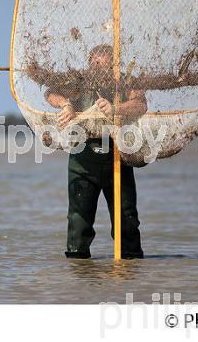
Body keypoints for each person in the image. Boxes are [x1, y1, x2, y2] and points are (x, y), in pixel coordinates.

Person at [44, 44, 148, 259]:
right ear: (89, 63)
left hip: (118, 155)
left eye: (103, 64)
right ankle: (78, 268)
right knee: (78, 221)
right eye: (94, 63)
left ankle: (130, 269)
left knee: (126, 221)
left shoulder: (126, 81)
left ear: (114, 66)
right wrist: (66, 105)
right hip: (83, 157)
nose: (97, 67)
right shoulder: (79, 81)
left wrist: (115, 109)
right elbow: (50, 92)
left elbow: (141, 104)